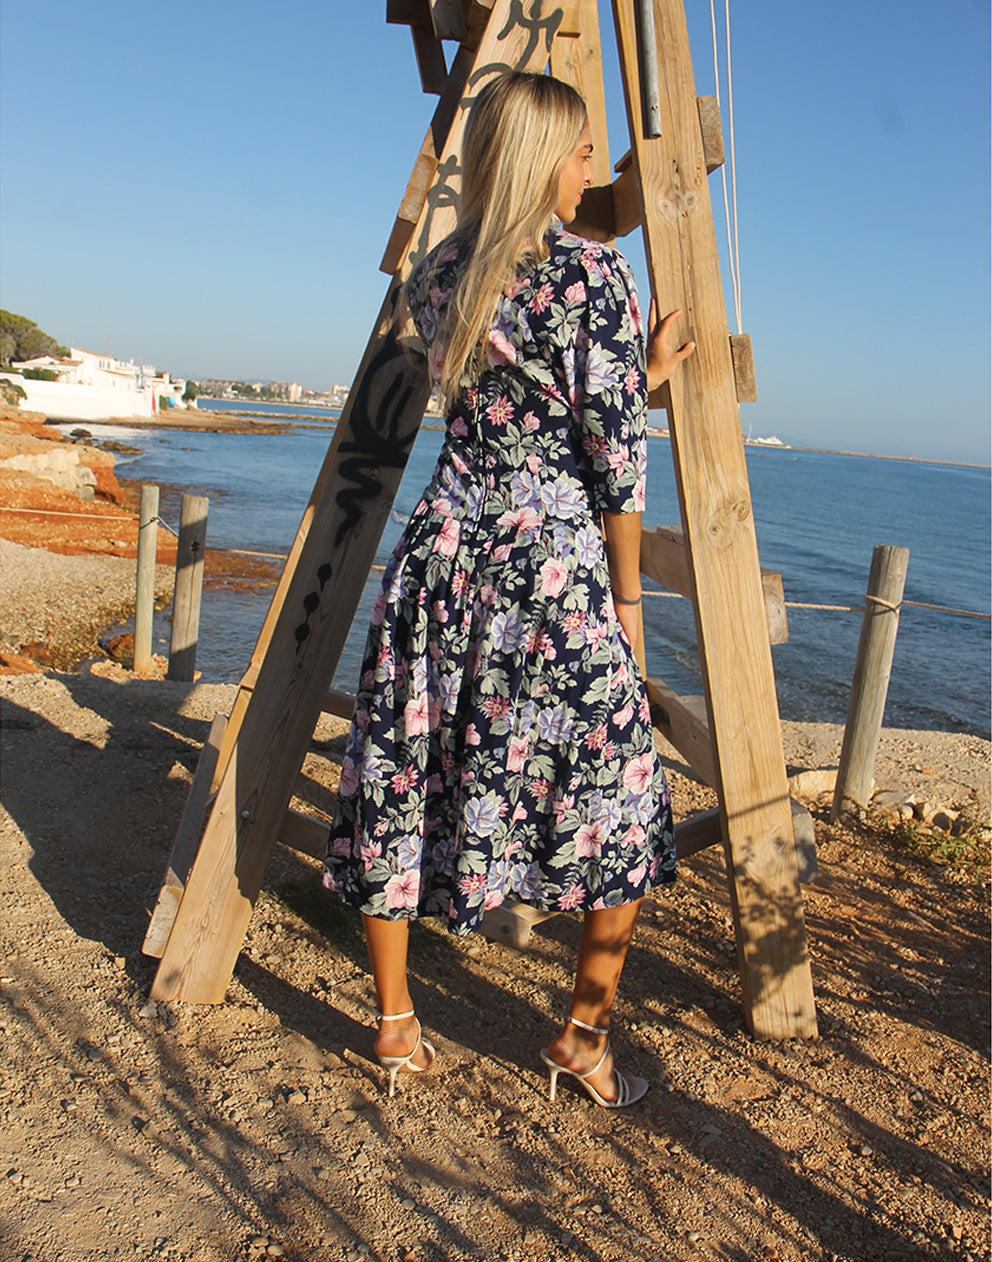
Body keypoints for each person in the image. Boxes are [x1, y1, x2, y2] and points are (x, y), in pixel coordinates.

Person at [323, 71, 694, 1106]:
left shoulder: (436, 275)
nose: (591, 168)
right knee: (619, 803)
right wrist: (625, 607)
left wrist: (635, 372)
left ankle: (394, 1026)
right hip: (550, 576)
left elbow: (505, 398)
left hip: (442, 554)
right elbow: (611, 460)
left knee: (401, 772)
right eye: (581, 150)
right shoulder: (592, 276)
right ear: (541, 157)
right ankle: (579, 1038)